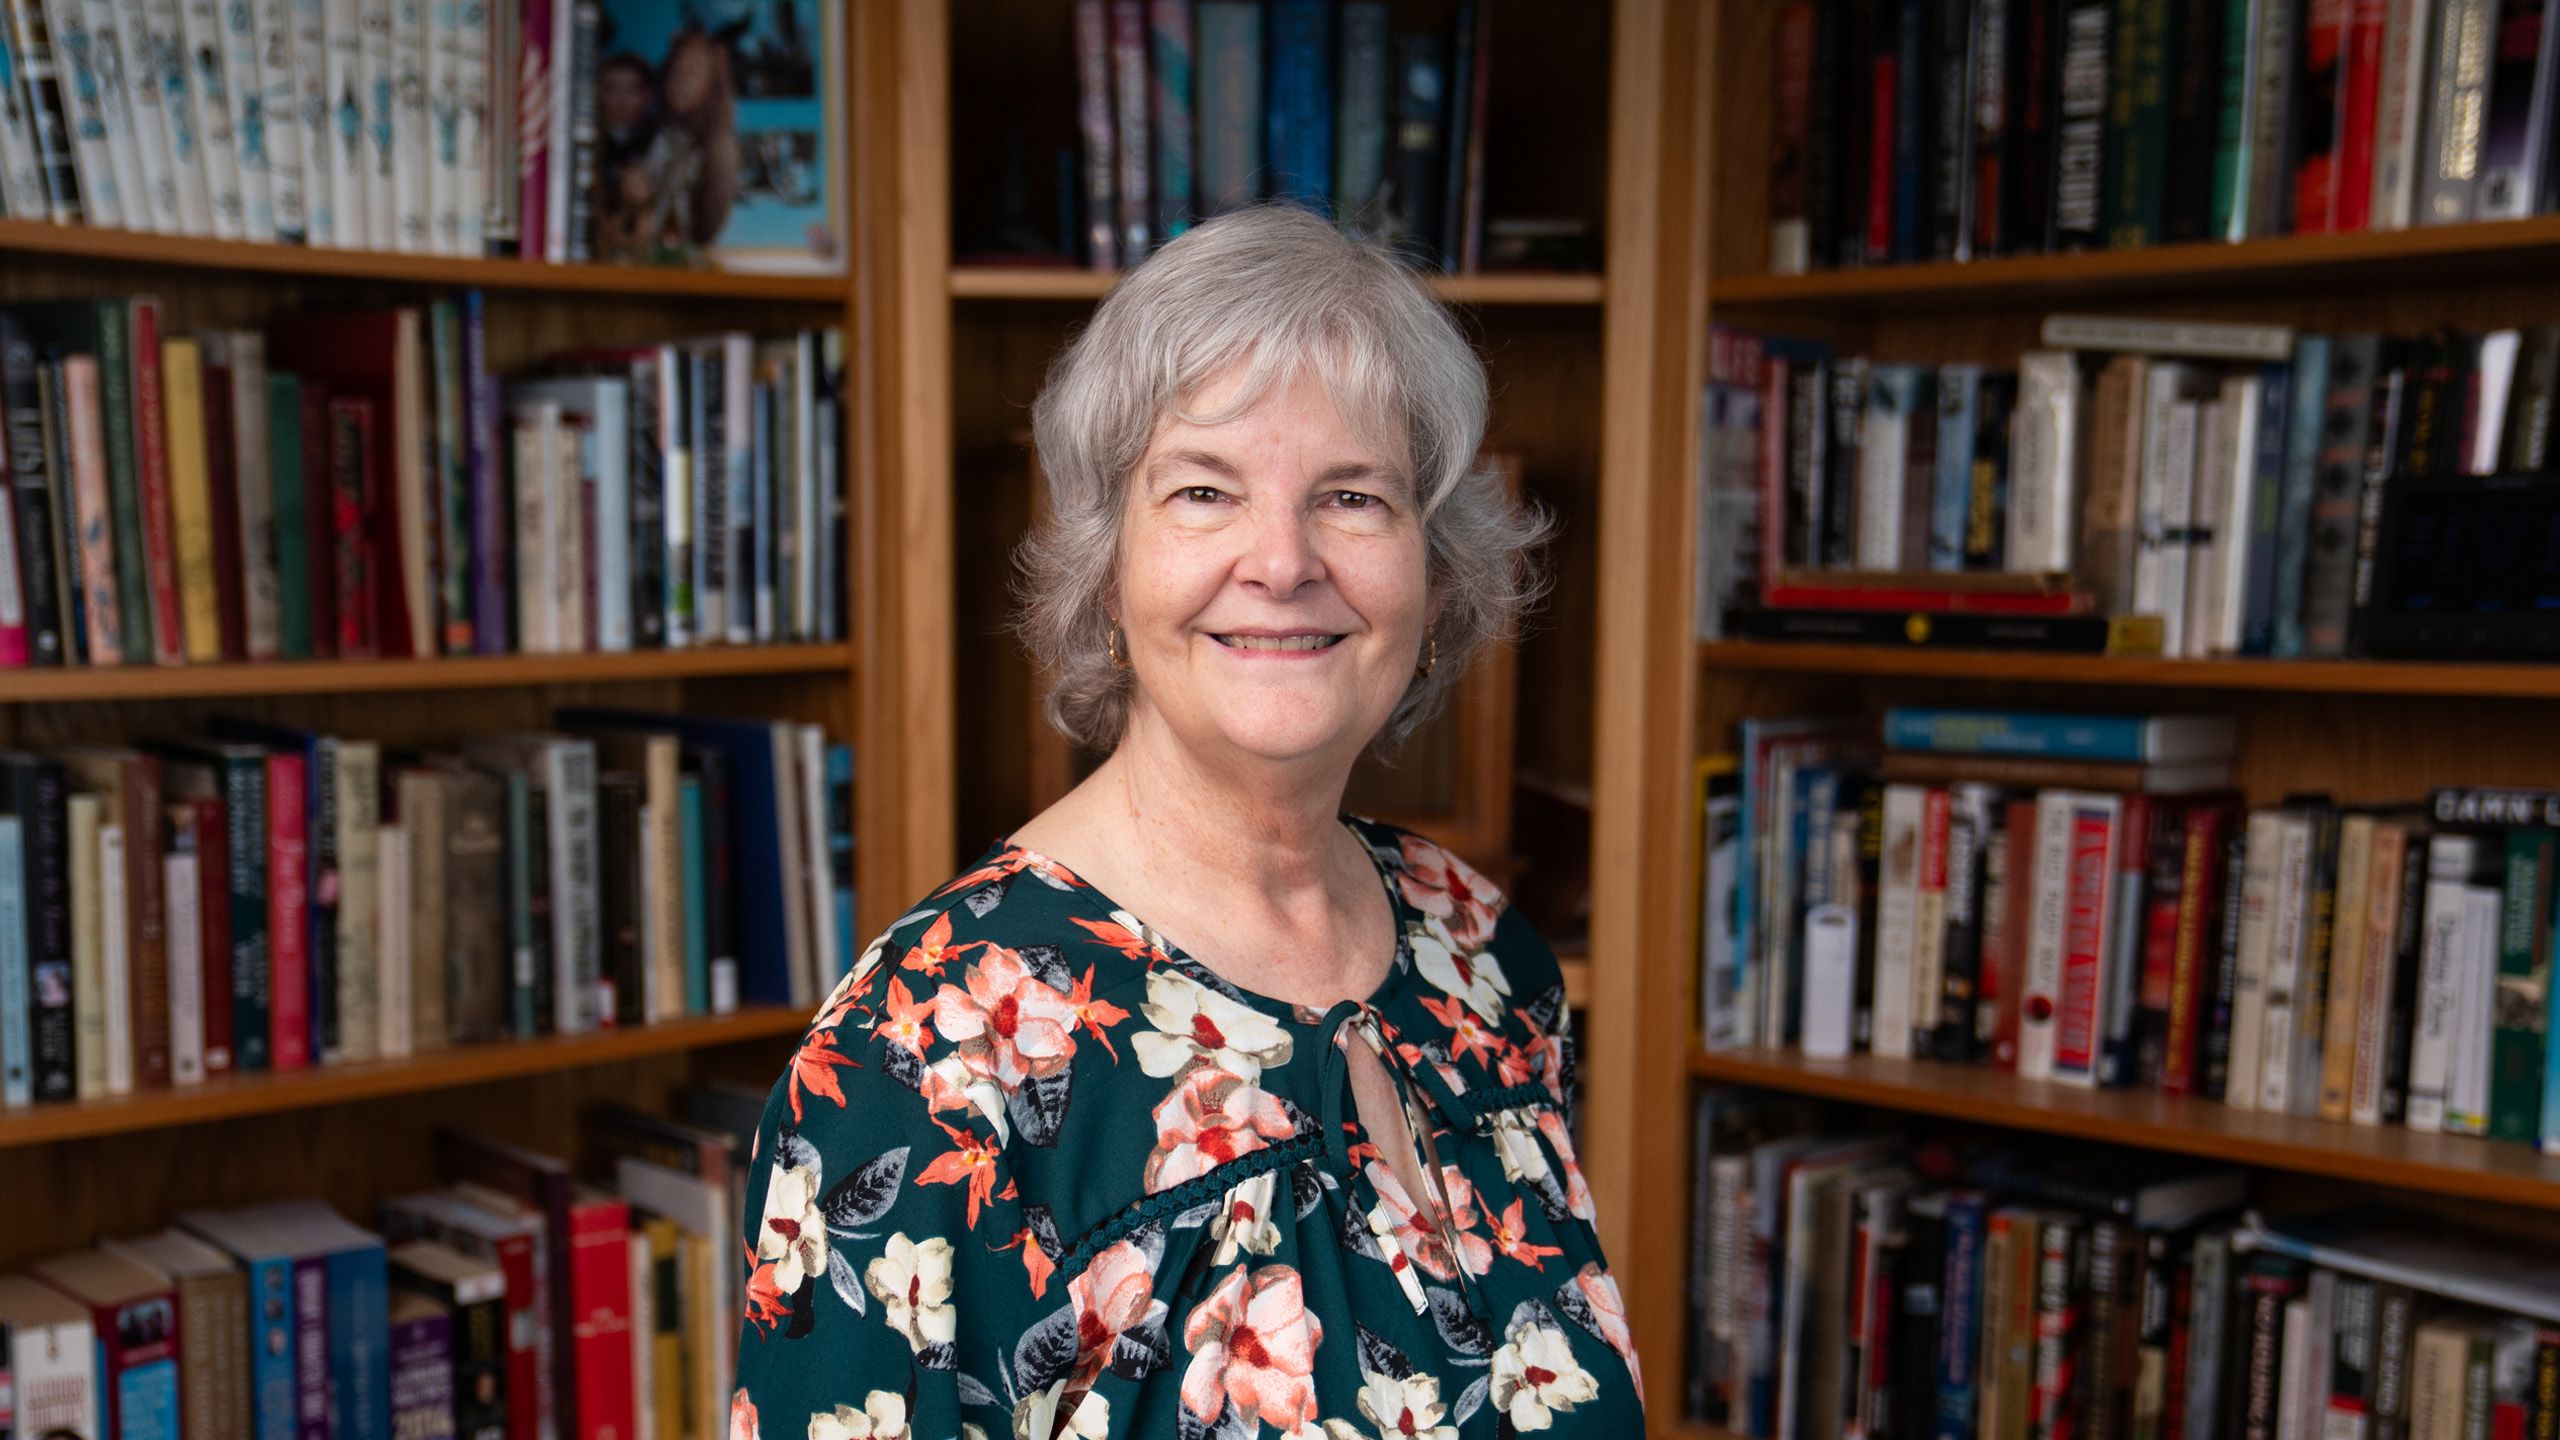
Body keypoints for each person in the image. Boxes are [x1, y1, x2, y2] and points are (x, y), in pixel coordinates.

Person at [730, 204, 1644, 1440]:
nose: (1280, 561)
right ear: (1109, 569)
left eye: (1355, 498)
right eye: (1205, 491)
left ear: (1433, 572)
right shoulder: (924, 1057)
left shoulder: (1479, 949)